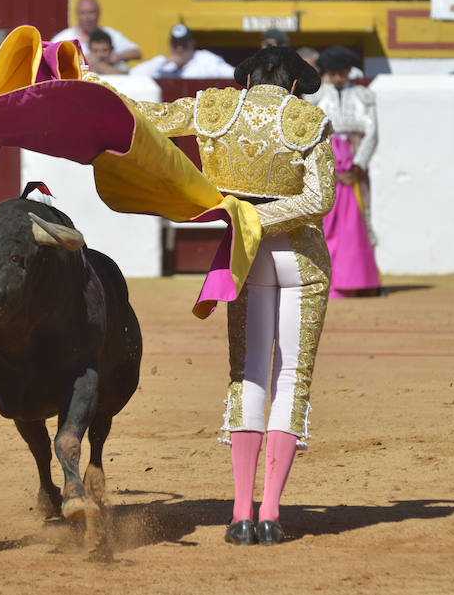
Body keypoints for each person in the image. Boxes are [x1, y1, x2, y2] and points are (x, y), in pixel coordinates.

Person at [97, 46, 333, 545]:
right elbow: (320, 200)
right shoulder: (309, 119)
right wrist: (264, 218)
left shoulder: (213, 107)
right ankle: (270, 514)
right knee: (291, 376)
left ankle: (240, 515)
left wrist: (90, 82)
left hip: (244, 257)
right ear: (294, 85)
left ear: (246, 81)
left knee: (247, 372)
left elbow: (144, 116)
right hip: (302, 260)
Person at [305, 45, 380, 298]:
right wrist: (329, 170)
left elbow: (372, 134)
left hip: (355, 169)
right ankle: (324, 280)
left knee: (362, 217)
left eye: (342, 72)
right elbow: (311, 136)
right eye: (334, 73)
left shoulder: (363, 95)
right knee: (322, 222)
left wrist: (357, 167)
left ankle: (363, 280)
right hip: (325, 168)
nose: (338, 78)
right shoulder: (316, 96)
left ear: (349, 71)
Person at [51, 0, 141, 66]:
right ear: (77, 15)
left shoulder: (109, 34)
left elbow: (136, 52)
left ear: (98, 14)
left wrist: (114, 58)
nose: (87, 18)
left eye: (91, 12)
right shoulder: (64, 37)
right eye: (83, 13)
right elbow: (48, 57)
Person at [130, 24, 234, 79]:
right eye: (175, 44)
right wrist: (163, 60)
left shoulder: (205, 60)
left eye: (184, 44)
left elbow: (232, 75)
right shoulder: (163, 66)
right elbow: (133, 75)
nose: (179, 48)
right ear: (170, 46)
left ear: (192, 44)